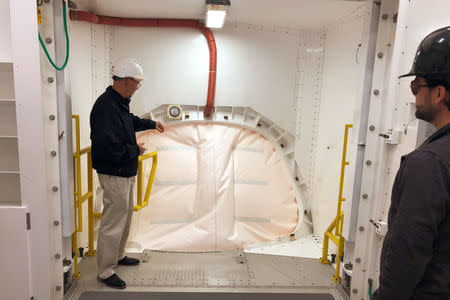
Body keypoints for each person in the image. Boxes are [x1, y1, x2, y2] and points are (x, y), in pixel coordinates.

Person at [372, 27, 450, 299]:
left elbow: (407, 252)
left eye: (416, 87)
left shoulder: (428, 163)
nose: (414, 95)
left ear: (438, 93)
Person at [90, 58, 164, 289]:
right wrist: (136, 149)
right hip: (114, 173)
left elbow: (129, 122)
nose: (137, 87)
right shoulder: (105, 107)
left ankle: (118, 256)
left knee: (124, 217)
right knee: (113, 222)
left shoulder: (118, 103)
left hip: (124, 170)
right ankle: (105, 270)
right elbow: (106, 147)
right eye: (137, 83)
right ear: (127, 82)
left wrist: (151, 124)